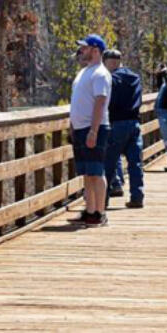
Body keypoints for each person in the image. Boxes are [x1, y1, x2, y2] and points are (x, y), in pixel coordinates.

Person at [69, 34, 112, 226]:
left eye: (85, 48)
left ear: (96, 50)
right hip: (80, 127)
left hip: (93, 127)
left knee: (96, 171)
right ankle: (90, 209)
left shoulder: (100, 73)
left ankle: (100, 212)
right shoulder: (84, 72)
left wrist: (93, 131)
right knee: (87, 173)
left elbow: (100, 102)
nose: (81, 51)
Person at [103, 48, 144, 208]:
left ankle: (102, 200)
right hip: (134, 123)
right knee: (135, 163)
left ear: (107, 62)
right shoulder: (134, 77)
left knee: (109, 163)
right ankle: (137, 197)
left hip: (116, 123)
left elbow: (108, 101)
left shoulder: (110, 79)